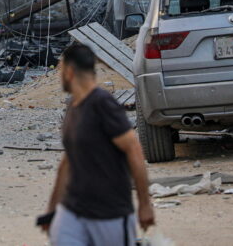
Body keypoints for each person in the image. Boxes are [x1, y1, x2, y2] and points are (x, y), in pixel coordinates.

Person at [42, 44, 155, 245]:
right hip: (73, 210)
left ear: (69, 71)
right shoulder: (72, 106)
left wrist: (145, 204)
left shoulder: (102, 104)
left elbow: (134, 150)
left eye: (60, 70)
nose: (59, 76)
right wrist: (52, 209)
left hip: (109, 213)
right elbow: (68, 160)